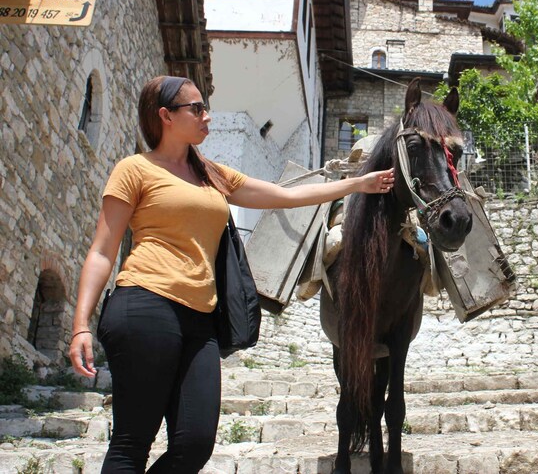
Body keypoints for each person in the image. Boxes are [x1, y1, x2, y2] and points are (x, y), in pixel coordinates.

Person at [68, 75, 394, 473]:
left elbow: (286, 195)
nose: (207, 116)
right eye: (197, 108)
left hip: (201, 319)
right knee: (132, 441)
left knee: (195, 443)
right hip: (143, 304)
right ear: (166, 116)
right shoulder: (135, 169)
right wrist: (80, 324)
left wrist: (357, 184)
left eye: (206, 107)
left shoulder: (213, 175)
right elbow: (102, 251)